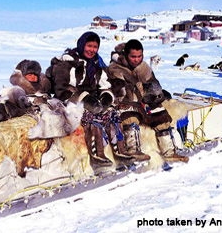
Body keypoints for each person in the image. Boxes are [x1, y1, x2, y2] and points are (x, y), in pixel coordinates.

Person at [46, 32, 148, 166]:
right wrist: (84, 99)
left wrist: (106, 97)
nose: (92, 50)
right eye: (89, 46)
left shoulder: (97, 63)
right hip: (70, 101)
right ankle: (97, 154)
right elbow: (61, 89)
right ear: (82, 45)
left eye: (95, 47)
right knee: (91, 117)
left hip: (93, 99)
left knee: (112, 114)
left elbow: (105, 84)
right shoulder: (67, 63)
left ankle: (120, 151)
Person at [108, 39, 188, 162]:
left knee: (161, 115)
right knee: (130, 116)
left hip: (143, 102)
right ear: (126, 55)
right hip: (125, 102)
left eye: (140, 56)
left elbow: (153, 83)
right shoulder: (115, 68)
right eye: (133, 56)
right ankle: (133, 150)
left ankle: (169, 152)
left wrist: (155, 93)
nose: (137, 59)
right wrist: (141, 93)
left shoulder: (143, 67)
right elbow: (121, 92)